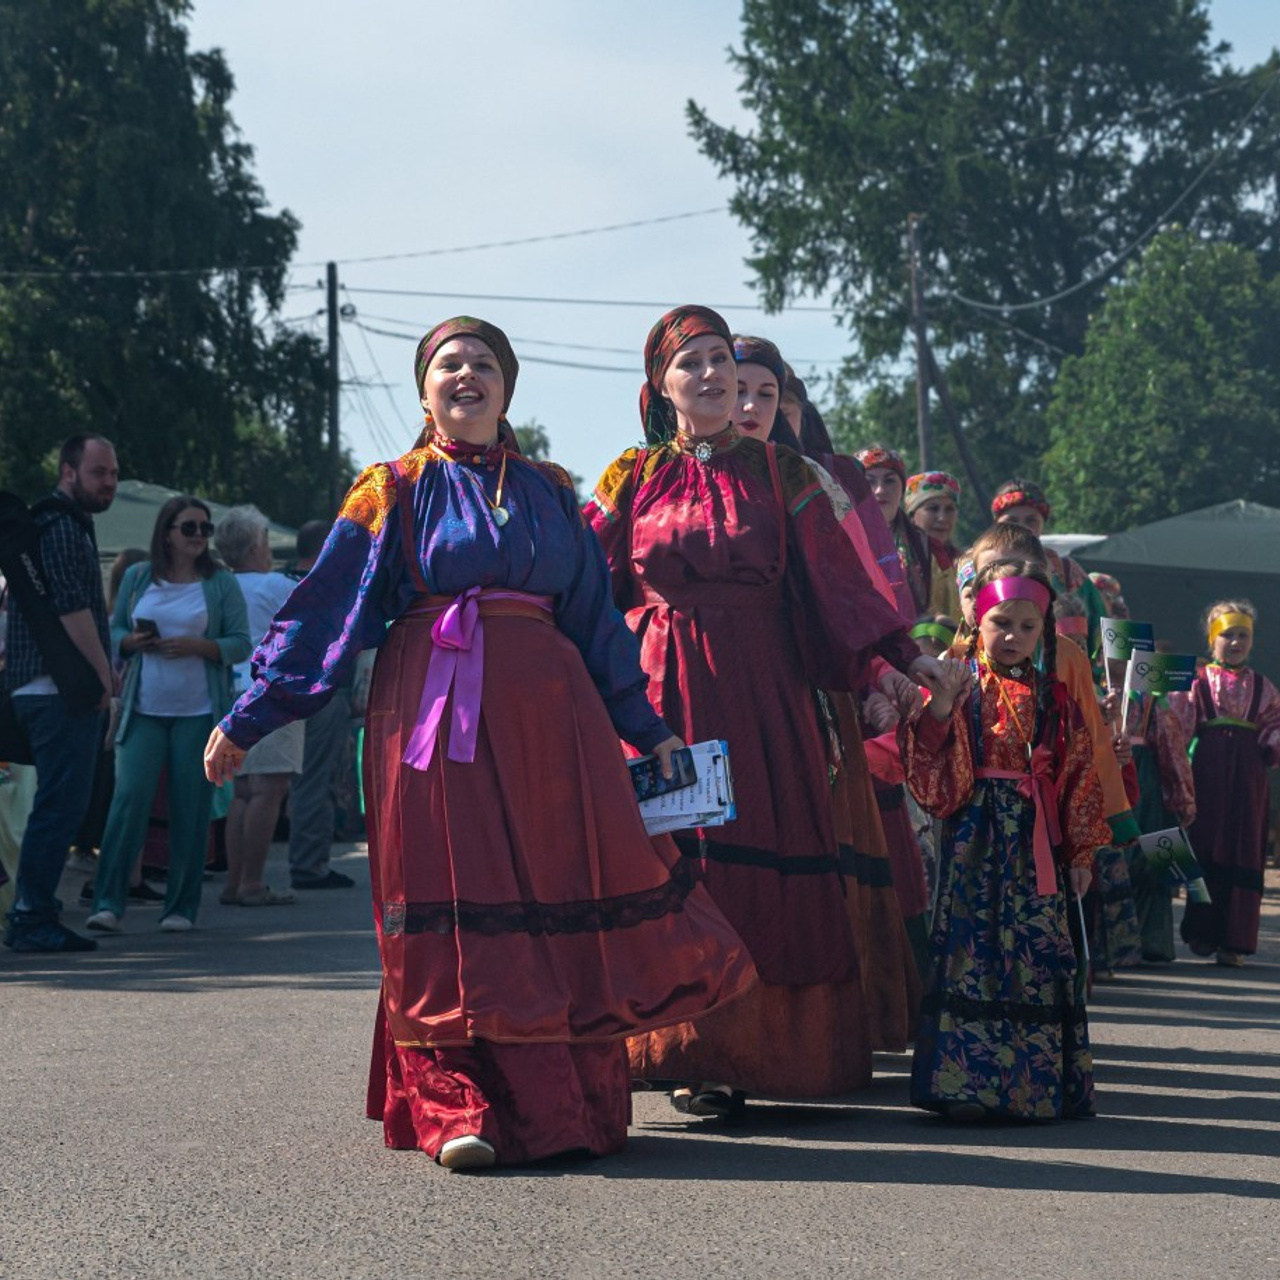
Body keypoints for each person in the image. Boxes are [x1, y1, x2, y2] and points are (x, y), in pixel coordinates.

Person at [204, 316, 754, 1171]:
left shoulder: (550, 489)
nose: (467, 375)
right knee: (449, 891)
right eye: (449, 365)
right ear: (425, 392)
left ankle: (563, 1109)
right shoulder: (390, 488)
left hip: (553, 724)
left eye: (484, 364)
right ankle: (456, 1104)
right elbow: (325, 610)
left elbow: (594, 620)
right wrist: (250, 715)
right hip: (432, 719)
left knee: (552, 891)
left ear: (507, 388)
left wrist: (647, 729)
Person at [588, 306, 941, 1114]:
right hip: (662, 701)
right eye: (691, 363)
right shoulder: (629, 476)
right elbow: (579, 579)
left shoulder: (786, 474)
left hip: (763, 696)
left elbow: (839, 588)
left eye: (720, 358)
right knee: (680, 862)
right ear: (660, 385)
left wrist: (897, 658)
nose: (711, 375)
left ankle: (763, 1050)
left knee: (760, 859)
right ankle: (685, 1053)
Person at [734, 334, 923, 1051]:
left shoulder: (817, 479)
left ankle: (817, 1029)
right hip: (702, 683)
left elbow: (861, 592)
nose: (752, 406)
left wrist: (890, 666)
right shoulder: (659, 475)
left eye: (768, 394)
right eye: (738, 388)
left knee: (815, 850)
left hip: (810, 684)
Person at [902, 558, 1111, 1121]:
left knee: (1037, 953)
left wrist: (1081, 851)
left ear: (1043, 630)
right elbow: (924, 756)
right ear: (978, 621)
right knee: (971, 949)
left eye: (1026, 626)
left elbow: (1079, 773)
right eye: (1001, 623)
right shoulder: (959, 682)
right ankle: (965, 1087)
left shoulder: (1055, 697)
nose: (1013, 636)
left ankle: (1031, 1088)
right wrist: (940, 707)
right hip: (974, 839)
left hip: (1037, 840)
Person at [86, 497, 250, 934]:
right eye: (189, 527)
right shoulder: (140, 576)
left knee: (191, 809)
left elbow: (241, 642)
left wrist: (202, 647)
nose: (198, 536)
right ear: (167, 533)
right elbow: (114, 629)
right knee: (128, 802)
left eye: (205, 529)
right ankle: (107, 903)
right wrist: (130, 642)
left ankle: (181, 906)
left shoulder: (220, 582)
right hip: (142, 710)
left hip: (198, 712)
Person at [1, 434, 117, 953]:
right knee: (59, 808)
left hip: (37, 688)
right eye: (98, 472)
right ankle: (31, 916)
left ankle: (33, 909)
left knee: (55, 806)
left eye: (113, 473)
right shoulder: (64, 528)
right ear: (68, 471)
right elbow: (73, 610)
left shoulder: (46, 524)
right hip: (59, 692)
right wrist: (102, 678)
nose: (109, 482)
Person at [1169, 601, 1280, 967]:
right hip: (1209, 771)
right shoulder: (1198, 682)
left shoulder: (1264, 686)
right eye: (1227, 634)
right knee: (1207, 844)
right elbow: (1178, 727)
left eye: (1243, 635)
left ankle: (1236, 941)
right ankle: (1204, 931)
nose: (1235, 642)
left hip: (1249, 777)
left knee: (1244, 847)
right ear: (1211, 639)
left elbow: (1274, 727)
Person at [214, 506, 305, 906]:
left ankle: (235, 882)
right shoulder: (276, 585)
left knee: (242, 791)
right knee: (268, 789)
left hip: (229, 692)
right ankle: (251, 882)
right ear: (255, 545)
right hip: (270, 695)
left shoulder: (220, 585)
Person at [285, 519, 356, 891]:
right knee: (316, 779)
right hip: (321, 693)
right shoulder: (325, 586)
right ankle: (309, 863)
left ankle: (307, 859)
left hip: (288, 693)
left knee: (293, 781)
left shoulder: (283, 583)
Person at [991, 478, 1107, 655]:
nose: (1022, 528)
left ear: (1042, 524)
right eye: (1012, 521)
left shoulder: (1067, 572)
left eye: (1031, 521)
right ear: (997, 524)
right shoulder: (981, 570)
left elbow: (1101, 632)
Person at [857, 444, 932, 618]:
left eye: (889, 481)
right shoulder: (844, 539)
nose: (880, 490)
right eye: (870, 481)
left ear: (902, 489)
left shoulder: (921, 541)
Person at [905, 471, 964, 621]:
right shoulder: (902, 562)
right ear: (912, 515)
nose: (942, 518)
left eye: (949, 509)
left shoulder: (964, 562)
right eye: (933, 509)